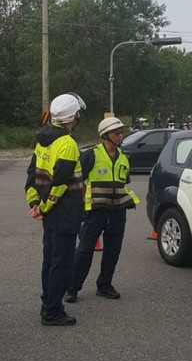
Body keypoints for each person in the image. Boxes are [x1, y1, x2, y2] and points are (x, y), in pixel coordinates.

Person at [25, 93, 86, 326]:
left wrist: (34, 204)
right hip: (64, 210)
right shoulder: (67, 143)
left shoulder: (42, 139)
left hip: (49, 212)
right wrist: (45, 207)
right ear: (72, 116)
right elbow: (60, 183)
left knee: (50, 260)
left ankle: (47, 303)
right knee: (62, 262)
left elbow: (32, 175)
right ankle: (53, 311)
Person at [64, 117, 139, 303]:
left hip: (117, 212)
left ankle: (104, 285)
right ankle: (72, 288)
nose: (120, 136)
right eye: (116, 133)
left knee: (113, 250)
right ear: (105, 135)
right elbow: (78, 180)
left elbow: (123, 183)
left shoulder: (123, 157)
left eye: (121, 133)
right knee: (84, 251)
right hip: (95, 211)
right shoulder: (91, 155)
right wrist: (80, 207)